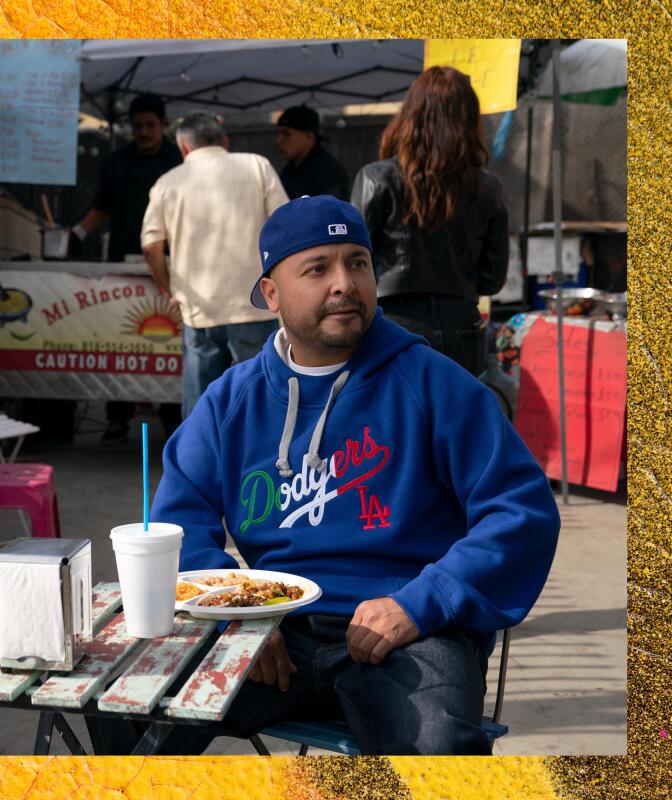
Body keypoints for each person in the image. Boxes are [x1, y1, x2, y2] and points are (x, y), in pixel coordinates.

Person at [89, 196, 559, 756]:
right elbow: (178, 523)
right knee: (118, 700)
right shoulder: (230, 402)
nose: (344, 283)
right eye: (318, 269)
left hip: (409, 629)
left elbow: (522, 510)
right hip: (271, 628)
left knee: (440, 748)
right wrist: (234, 611)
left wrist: (422, 602)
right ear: (271, 293)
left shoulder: (435, 383)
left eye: (357, 263)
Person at [350, 66, 509, 379]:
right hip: (462, 331)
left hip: (390, 329)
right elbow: (492, 280)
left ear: (410, 114)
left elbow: (351, 262)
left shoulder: (376, 178)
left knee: (396, 426)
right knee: (455, 426)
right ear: (469, 120)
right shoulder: (488, 187)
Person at [140, 111, 289, 417]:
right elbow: (284, 227)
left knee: (201, 406)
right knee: (262, 400)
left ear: (184, 147)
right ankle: (261, 462)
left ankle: (199, 464)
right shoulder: (256, 165)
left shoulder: (167, 183)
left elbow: (151, 247)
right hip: (254, 305)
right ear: (224, 140)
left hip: (199, 310)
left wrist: (171, 290)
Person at [73, 93, 183, 445]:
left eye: (151, 125)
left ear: (164, 125)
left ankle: (172, 419)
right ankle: (117, 418)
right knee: (121, 342)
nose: (144, 132)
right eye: (138, 126)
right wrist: (76, 233)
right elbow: (101, 209)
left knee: (166, 344)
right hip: (122, 262)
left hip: (169, 265)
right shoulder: (116, 162)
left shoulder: (179, 161)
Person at [274, 105, 350, 200]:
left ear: (309, 137)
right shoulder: (290, 170)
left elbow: (331, 212)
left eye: (286, 134)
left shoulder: (328, 172)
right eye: (277, 133)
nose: (278, 141)